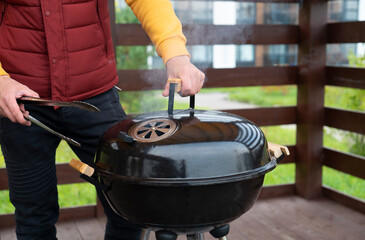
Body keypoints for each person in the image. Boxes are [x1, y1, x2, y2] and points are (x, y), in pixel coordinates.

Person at [0, 0, 205, 239]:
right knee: (33, 218)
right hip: (20, 99)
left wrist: (176, 54)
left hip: (94, 97)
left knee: (129, 206)